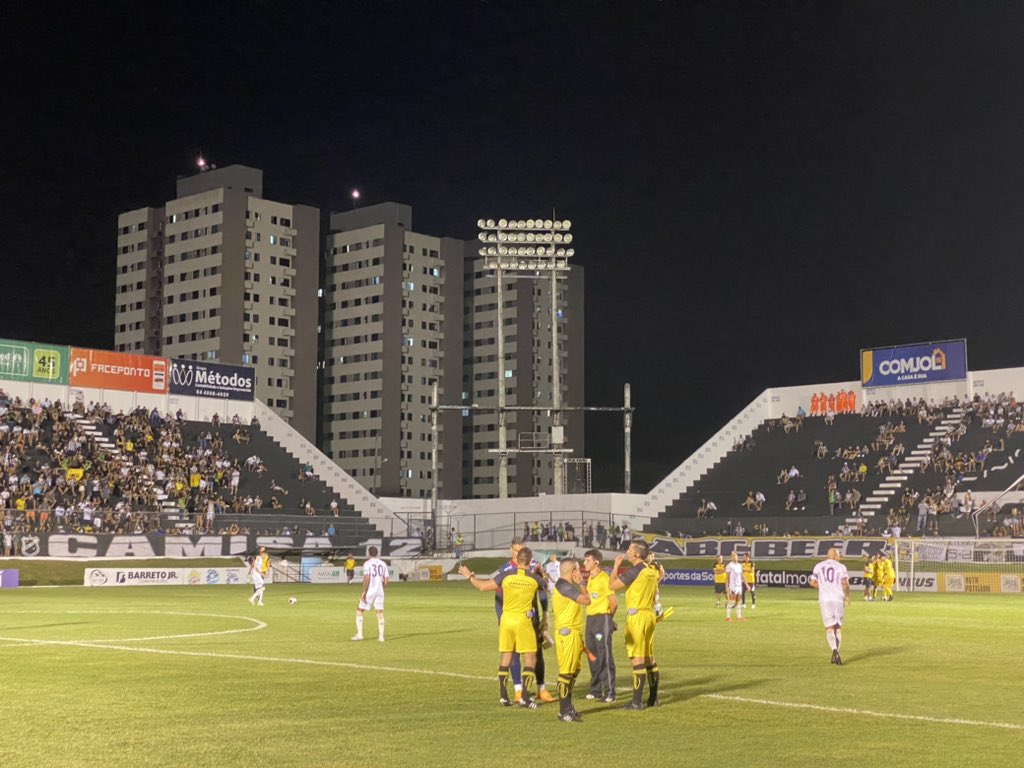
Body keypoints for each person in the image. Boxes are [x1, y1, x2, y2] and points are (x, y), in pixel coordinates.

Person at [459, 546, 544, 708]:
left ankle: (504, 696)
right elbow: (549, 588)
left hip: (506, 620)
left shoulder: (506, 575)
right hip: (523, 621)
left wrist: (469, 576)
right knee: (530, 657)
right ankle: (525, 697)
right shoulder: (534, 578)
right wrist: (542, 573)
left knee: (506, 656)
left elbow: (483, 587)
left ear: (517, 560)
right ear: (531, 561)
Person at [609, 540, 661, 710]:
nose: (627, 552)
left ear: (637, 554)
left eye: (630, 550)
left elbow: (612, 586)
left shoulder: (636, 570)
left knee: (637, 659)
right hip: (649, 615)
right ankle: (653, 699)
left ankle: (636, 702)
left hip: (637, 616)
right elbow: (661, 576)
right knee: (648, 658)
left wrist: (616, 566)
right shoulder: (651, 570)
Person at [551, 557, 591, 722]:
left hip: (574, 633)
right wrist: (581, 583)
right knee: (566, 673)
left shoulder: (564, 586)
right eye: (578, 569)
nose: (580, 572)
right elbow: (587, 600)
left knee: (574, 670)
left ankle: (568, 706)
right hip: (567, 634)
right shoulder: (565, 586)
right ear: (573, 572)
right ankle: (564, 711)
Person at [582, 549, 618, 703]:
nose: (584, 563)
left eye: (587, 560)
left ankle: (610, 692)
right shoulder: (590, 577)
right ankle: (596, 690)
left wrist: (608, 620)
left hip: (601, 619)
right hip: (590, 619)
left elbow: (614, 602)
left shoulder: (604, 578)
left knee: (604, 655)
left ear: (596, 562)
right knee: (592, 654)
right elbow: (589, 598)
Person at [809, 547, 850, 665]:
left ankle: (834, 650)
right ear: (836, 556)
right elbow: (845, 583)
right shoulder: (841, 566)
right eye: (839, 555)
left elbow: (812, 582)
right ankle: (837, 653)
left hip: (825, 599)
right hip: (838, 599)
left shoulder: (818, 566)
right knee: (838, 627)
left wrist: (823, 588)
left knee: (829, 627)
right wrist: (847, 596)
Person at [352, 546, 389, 642]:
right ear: (377, 553)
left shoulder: (367, 563)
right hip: (380, 591)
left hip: (370, 590)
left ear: (369, 553)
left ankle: (360, 634)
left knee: (359, 610)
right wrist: (382, 589)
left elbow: (367, 578)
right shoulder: (383, 563)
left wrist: (364, 592)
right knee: (380, 612)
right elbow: (386, 579)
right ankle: (381, 637)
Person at [724, 551, 745, 622]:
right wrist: (727, 586)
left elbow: (742, 575)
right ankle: (727, 617)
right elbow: (727, 577)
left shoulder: (739, 565)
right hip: (733, 586)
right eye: (733, 556)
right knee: (732, 601)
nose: (734, 557)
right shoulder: (729, 565)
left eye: (735, 555)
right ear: (731, 557)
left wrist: (747, 584)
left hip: (739, 586)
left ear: (737, 557)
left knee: (739, 601)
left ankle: (739, 617)